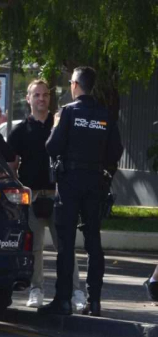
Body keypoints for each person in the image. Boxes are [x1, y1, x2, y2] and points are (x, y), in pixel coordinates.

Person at [39, 66, 123, 317]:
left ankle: (63, 300)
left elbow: (52, 148)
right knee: (93, 243)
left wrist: (55, 125)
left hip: (70, 183)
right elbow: (115, 152)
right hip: (95, 183)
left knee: (65, 244)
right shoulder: (105, 115)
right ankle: (94, 301)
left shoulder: (67, 112)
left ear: (75, 85)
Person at [8, 80, 86, 311]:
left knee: (66, 246)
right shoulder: (20, 131)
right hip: (31, 197)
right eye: (37, 95)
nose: (41, 99)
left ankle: (76, 291)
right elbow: (12, 165)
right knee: (34, 248)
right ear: (28, 99)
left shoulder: (62, 125)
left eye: (45, 95)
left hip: (58, 195)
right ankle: (36, 288)